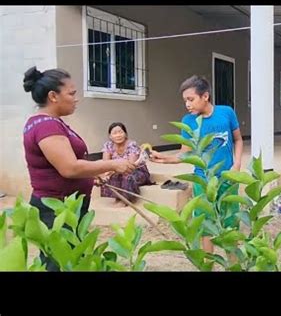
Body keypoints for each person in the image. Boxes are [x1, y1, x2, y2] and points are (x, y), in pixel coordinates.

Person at [22, 66, 135, 270]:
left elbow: (69, 164)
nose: (76, 98)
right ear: (53, 96)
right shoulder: (46, 126)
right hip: (56, 209)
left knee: (71, 260)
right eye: (72, 93)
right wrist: (112, 164)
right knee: (59, 263)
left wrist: (92, 173)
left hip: (67, 207)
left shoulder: (52, 123)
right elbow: (69, 168)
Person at [150, 75, 243, 254]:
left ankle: (233, 264)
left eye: (191, 99)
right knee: (205, 224)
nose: (187, 104)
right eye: (185, 100)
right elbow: (185, 154)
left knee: (231, 224)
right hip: (202, 181)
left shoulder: (226, 113)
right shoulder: (188, 121)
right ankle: (208, 263)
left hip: (227, 178)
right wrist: (163, 158)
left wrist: (237, 164)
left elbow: (238, 139)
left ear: (205, 96)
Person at [100, 122, 153, 206]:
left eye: (120, 132)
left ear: (125, 134)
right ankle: (117, 197)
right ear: (110, 136)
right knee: (109, 175)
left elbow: (131, 165)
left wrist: (113, 169)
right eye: (115, 133)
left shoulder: (132, 145)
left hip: (136, 171)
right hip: (118, 169)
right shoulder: (108, 145)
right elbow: (106, 163)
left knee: (127, 175)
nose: (118, 135)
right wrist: (108, 172)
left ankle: (126, 199)